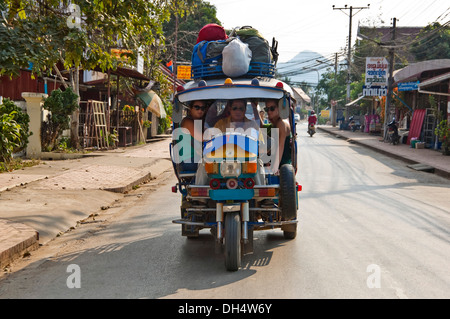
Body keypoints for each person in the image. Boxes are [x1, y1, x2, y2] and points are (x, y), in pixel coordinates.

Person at [175, 100, 207, 172]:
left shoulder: (198, 122)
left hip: (196, 158)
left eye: (202, 108)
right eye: (197, 107)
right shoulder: (187, 121)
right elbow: (202, 138)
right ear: (191, 108)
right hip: (188, 161)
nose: (200, 110)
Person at [265, 99, 292, 170]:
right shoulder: (275, 123)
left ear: (279, 108)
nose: (269, 112)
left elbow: (280, 146)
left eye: (272, 108)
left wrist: (274, 167)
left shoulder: (281, 124)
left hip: (282, 165)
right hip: (274, 161)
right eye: (267, 109)